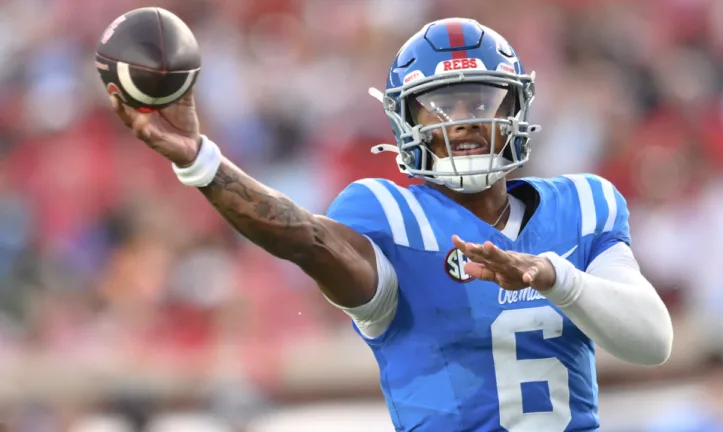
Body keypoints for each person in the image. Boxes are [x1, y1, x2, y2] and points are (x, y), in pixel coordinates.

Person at [110, 17, 673, 432]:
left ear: (514, 111)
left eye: (482, 100)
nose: (467, 121)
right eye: (442, 107)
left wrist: (553, 276)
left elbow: (652, 343)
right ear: (408, 123)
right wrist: (201, 161)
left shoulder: (585, 202)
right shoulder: (388, 216)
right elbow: (304, 238)